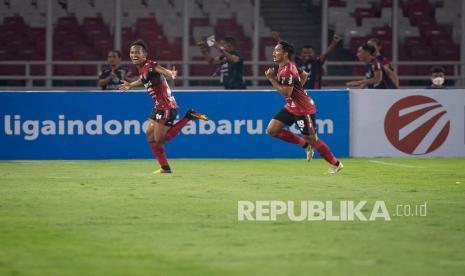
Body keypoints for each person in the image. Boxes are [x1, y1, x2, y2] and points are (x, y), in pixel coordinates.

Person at [119, 40, 208, 174]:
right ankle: (165, 167)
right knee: (150, 135)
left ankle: (189, 116)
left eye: (137, 52)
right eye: (132, 52)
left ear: (145, 55)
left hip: (167, 106)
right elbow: (143, 80)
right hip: (158, 106)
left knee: (160, 139)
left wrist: (169, 73)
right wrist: (131, 85)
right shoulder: (142, 69)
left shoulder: (150, 64)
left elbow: (160, 69)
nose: (134, 54)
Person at [264, 40, 343, 174]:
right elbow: (304, 75)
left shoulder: (287, 70)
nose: (274, 53)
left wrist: (272, 79)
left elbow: (286, 93)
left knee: (313, 139)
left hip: (302, 109)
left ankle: (336, 164)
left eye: (277, 50)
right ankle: (305, 145)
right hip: (291, 106)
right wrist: (298, 89)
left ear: (285, 54)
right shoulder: (286, 66)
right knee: (272, 130)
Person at [271, 32, 342, 89]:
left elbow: (326, 54)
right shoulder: (296, 61)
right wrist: (277, 39)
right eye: (304, 53)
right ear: (300, 54)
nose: (307, 54)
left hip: (314, 93)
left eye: (309, 53)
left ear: (314, 54)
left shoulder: (316, 62)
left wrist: (334, 42)